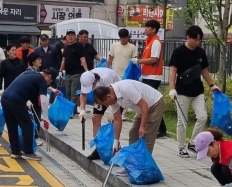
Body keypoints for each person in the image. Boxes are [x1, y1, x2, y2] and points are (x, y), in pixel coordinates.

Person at [94, 80, 165, 176]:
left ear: (108, 97)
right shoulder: (113, 99)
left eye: (105, 103)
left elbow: (144, 105)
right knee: (133, 134)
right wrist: (116, 141)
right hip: (142, 109)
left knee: (146, 137)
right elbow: (117, 119)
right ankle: (131, 165)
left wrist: (142, 126)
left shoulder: (125, 89)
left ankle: (142, 169)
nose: (106, 106)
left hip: (154, 105)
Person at [168, 25, 219, 157]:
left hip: (197, 91)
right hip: (182, 91)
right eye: (195, 39)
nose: (197, 42)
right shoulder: (178, 52)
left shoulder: (200, 52)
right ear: (188, 37)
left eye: (199, 40)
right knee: (182, 121)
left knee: (203, 117)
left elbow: (204, 70)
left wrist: (212, 85)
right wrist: (172, 88)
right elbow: (173, 71)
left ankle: (193, 143)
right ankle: (181, 147)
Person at [1, 68, 58, 161]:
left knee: (12, 125)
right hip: (16, 101)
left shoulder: (29, 73)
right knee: (28, 126)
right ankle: (28, 152)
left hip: (5, 98)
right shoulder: (41, 79)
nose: (48, 84)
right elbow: (44, 101)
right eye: (50, 82)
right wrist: (46, 118)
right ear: (49, 76)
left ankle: (15, 151)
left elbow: (24, 87)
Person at [133, 19, 167, 137]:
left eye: (148, 27)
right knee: (151, 103)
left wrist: (138, 61)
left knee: (151, 103)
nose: (145, 29)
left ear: (154, 29)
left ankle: (161, 129)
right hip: (147, 75)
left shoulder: (156, 42)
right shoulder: (149, 41)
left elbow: (154, 59)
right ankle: (161, 128)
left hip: (153, 76)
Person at [79, 67, 121, 160]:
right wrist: (82, 110)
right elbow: (83, 94)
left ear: (94, 81)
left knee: (115, 120)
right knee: (95, 118)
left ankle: (115, 146)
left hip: (117, 97)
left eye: (91, 86)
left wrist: (112, 111)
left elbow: (111, 96)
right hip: (100, 95)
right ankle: (98, 149)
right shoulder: (86, 77)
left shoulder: (106, 78)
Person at [60, 29, 89, 112]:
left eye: (72, 35)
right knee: (67, 93)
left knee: (74, 94)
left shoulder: (78, 46)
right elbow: (63, 60)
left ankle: (71, 111)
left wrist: (86, 71)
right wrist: (60, 70)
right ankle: (69, 110)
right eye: (68, 35)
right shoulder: (65, 47)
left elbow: (82, 59)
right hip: (67, 73)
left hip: (76, 74)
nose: (70, 37)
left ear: (75, 36)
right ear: (66, 37)